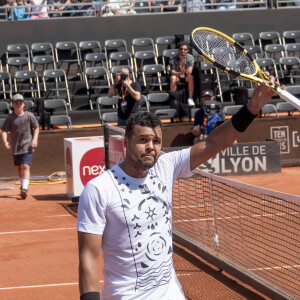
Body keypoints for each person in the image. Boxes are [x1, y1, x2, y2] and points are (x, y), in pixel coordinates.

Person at [77, 74, 279, 300]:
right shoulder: (99, 189)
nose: (150, 147)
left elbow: (214, 142)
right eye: (142, 140)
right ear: (126, 142)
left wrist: (252, 107)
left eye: (156, 141)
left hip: (171, 294)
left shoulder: (166, 166)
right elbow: (88, 256)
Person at [1, 94, 39, 199]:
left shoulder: (29, 115)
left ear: (24, 104)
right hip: (15, 147)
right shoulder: (10, 118)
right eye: (16, 103)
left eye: (20, 103)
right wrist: (5, 141)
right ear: (12, 105)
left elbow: (36, 127)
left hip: (28, 146)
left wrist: (35, 139)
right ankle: (23, 185)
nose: (19, 105)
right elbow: (4, 131)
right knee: (19, 168)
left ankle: (24, 189)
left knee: (25, 166)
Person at [169, 41, 195, 107]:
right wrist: (180, 72)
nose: (183, 50)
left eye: (185, 49)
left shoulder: (190, 58)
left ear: (187, 50)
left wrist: (186, 71)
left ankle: (190, 98)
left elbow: (190, 71)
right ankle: (174, 98)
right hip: (177, 76)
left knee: (191, 77)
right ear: (179, 50)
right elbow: (172, 72)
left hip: (186, 76)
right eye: (181, 49)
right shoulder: (173, 58)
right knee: (173, 78)